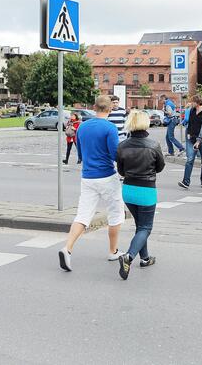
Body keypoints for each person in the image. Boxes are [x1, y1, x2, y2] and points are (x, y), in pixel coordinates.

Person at [58, 95, 125, 272]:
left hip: (87, 177)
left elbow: (80, 151)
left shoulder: (83, 127)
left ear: (94, 107)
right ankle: (113, 251)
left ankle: (68, 248)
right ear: (110, 109)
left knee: (83, 215)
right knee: (116, 213)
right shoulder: (110, 128)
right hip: (107, 176)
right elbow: (113, 154)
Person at [116, 110, 165, 280]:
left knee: (140, 226)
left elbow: (120, 170)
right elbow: (160, 167)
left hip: (128, 190)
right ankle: (128, 257)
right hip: (146, 190)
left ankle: (145, 258)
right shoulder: (153, 145)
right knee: (145, 227)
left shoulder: (122, 145)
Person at [178, 95, 202, 189]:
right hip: (191, 139)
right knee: (190, 159)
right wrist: (188, 134)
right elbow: (190, 124)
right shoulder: (192, 111)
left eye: (193, 102)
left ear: (198, 102)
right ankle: (186, 182)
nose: (191, 103)